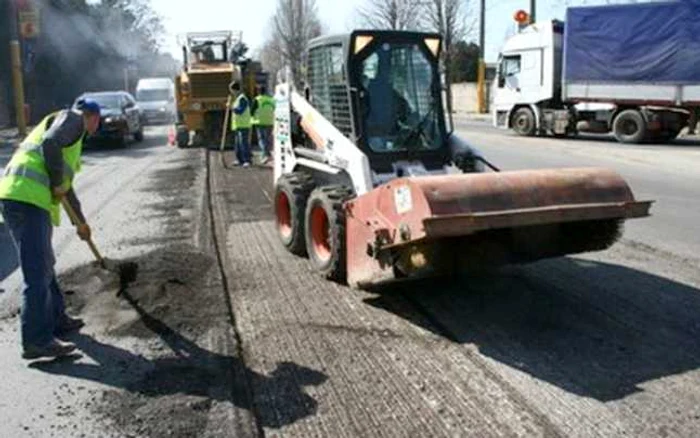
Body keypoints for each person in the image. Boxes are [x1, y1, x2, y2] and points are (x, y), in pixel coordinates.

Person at [0, 99, 100, 360]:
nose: (96, 126)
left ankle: (57, 319)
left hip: (21, 197)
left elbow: (66, 187)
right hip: (26, 198)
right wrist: (56, 181)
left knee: (44, 262)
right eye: (97, 121)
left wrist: (81, 223)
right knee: (37, 270)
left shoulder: (72, 137)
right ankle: (36, 340)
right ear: (93, 117)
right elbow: (50, 144)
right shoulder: (73, 119)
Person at [229, 82, 252, 167]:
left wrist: (232, 108)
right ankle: (239, 160)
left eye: (231, 90)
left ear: (235, 90)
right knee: (238, 143)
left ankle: (247, 160)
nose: (231, 92)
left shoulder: (242, 99)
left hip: (244, 125)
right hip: (238, 125)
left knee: (243, 143)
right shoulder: (237, 99)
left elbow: (240, 111)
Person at [251, 85, 276, 164]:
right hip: (270, 121)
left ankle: (265, 155)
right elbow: (275, 109)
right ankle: (268, 154)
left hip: (260, 122)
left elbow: (251, 111)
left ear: (258, 92)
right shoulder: (271, 100)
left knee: (262, 139)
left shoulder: (257, 100)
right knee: (268, 139)